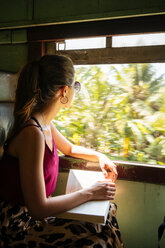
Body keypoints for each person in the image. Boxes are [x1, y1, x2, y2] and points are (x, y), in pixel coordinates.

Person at [0, 55, 123, 248]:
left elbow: (70, 148)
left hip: (31, 218)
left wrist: (101, 157)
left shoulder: (45, 125)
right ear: (64, 91)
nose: (76, 90)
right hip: (17, 226)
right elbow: (39, 208)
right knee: (101, 239)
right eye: (76, 86)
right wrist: (90, 192)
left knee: (107, 217)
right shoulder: (33, 134)